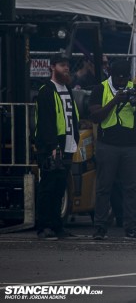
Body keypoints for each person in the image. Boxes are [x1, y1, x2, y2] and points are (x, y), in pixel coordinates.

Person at [88, 60, 136, 240]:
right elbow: (95, 116)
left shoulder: (134, 88)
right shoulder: (101, 89)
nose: (122, 82)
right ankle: (100, 227)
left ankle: (131, 227)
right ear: (112, 76)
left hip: (131, 145)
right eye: (118, 78)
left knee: (131, 188)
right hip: (108, 145)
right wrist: (115, 101)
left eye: (125, 78)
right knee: (103, 188)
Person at [34, 53, 80, 240]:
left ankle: (57, 225)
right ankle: (43, 226)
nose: (66, 68)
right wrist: (52, 146)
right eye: (62, 65)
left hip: (67, 145)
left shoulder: (66, 89)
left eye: (67, 65)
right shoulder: (46, 91)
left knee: (60, 187)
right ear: (52, 67)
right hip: (53, 147)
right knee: (48, 187)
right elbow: (45, 122)